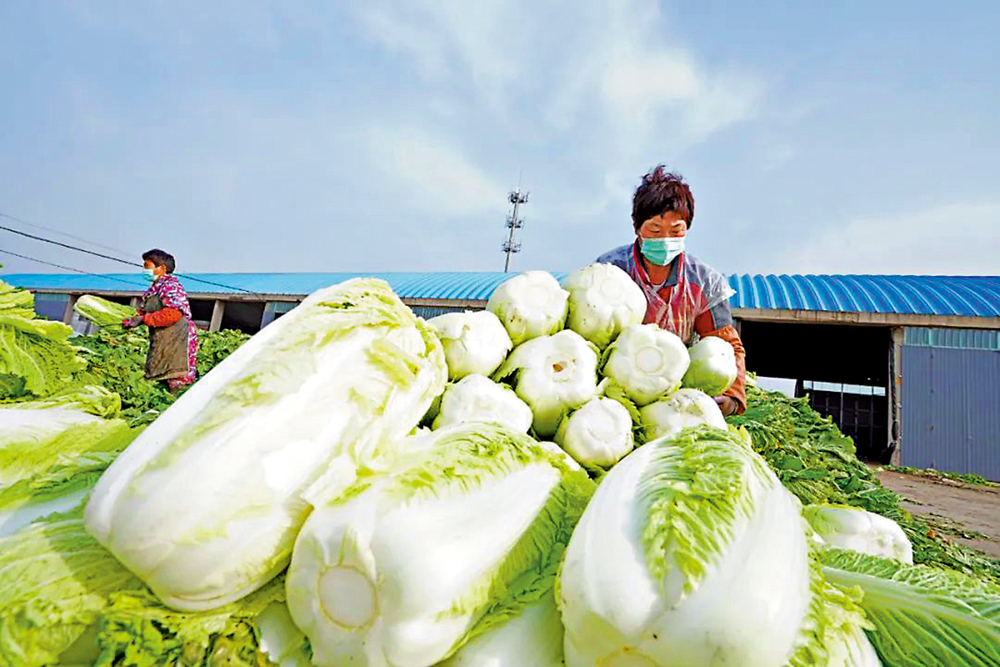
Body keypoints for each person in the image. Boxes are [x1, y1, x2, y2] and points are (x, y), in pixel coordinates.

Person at [597, 166, 747, 415]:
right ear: (636, 226)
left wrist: (732, 396)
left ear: (687, 228)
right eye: (655, 230)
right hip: (613, 392)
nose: (665, 239)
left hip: (674, 396)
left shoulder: (705, 282)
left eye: (676, 231)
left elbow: (725, 346)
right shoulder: (609, 271)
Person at [122, 249, 198, 393]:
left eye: (147, 266)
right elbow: (145, 310)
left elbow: (173, 314)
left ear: (161, 268)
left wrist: (143, 319)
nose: (144, 270)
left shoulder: (171, 286)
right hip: (163, 337)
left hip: (178, 338)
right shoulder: (154, 289)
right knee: (160, 372)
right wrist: (133, 318)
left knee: (176, 376)